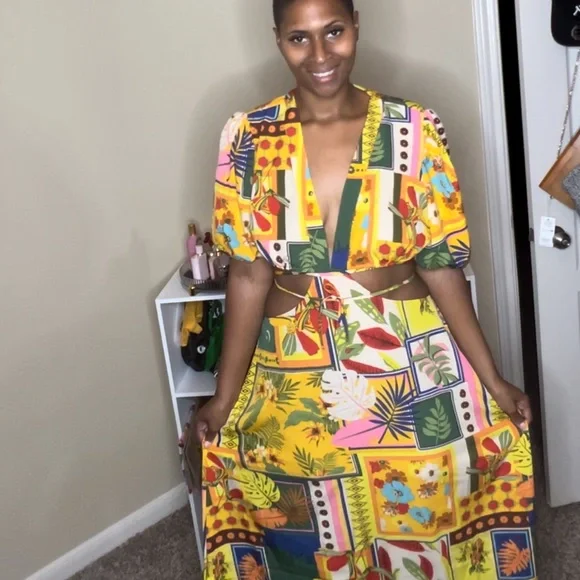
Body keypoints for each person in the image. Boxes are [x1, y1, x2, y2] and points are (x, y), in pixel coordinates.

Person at [195, 0, 537, 577]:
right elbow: (249, 275)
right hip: (295, 368)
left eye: (334, 31)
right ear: (277, 39)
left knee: (426, 515)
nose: (320, 54)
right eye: (299, 37)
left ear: (356, 25)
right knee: (301, 520)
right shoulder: (246, 136)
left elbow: (440, 265)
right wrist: (224, 398)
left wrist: (493, 378)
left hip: (403, 361)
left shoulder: (415, 127)